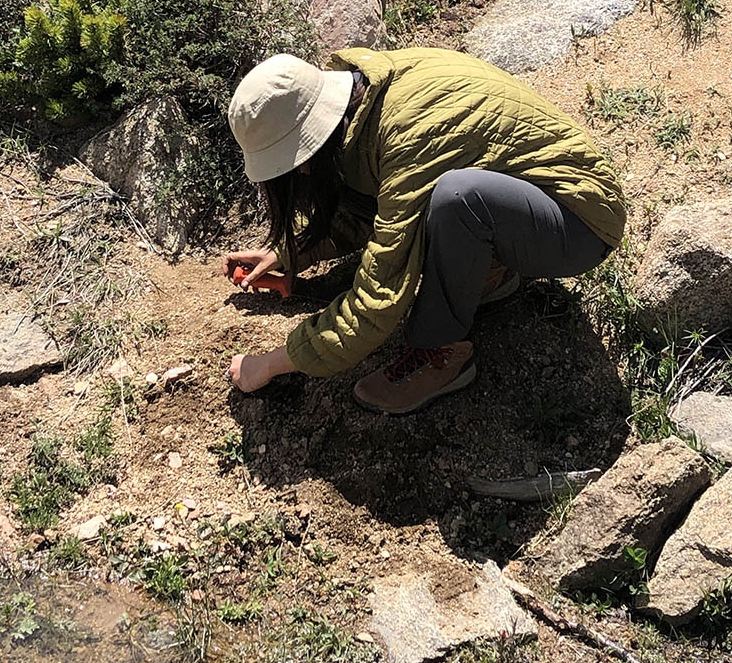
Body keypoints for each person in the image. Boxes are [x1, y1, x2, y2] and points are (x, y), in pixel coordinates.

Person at [224, 47, 626, 414]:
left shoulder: (407, 135)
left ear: (305, 160)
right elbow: (367, 203)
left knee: (458, 199)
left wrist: (270, 363)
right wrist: (289, 251)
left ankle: (441, 351)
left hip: (580, 223)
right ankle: (489, 273)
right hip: (527, 201)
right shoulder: (368, 95)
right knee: (454, 200)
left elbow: (376, 302)